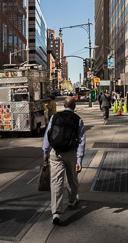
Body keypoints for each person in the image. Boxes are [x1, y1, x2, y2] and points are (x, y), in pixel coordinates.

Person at [42, 96, 86, 225]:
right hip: (71, 153)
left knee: (56, 181)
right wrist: (79, 159)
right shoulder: (78, 120)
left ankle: (56, 212)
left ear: (64, 105)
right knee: (72, 178)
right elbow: (81, 141)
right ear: (74, 106)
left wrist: (45, 152)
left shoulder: (55, 117)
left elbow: (47, 135)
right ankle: (72, 200)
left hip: (56, 152)